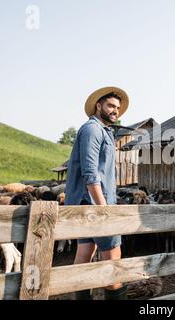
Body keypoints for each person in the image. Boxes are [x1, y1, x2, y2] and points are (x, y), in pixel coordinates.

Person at [64, 86, 129, 300]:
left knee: (85, 253)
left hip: (86, 204)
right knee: (113, 260)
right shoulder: (93, 129)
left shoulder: (103, 131)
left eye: (117, 108)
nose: (115, 111)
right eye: (111, 105)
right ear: (98, 106)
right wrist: (104, 208)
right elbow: (90, 172)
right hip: (95, 204)